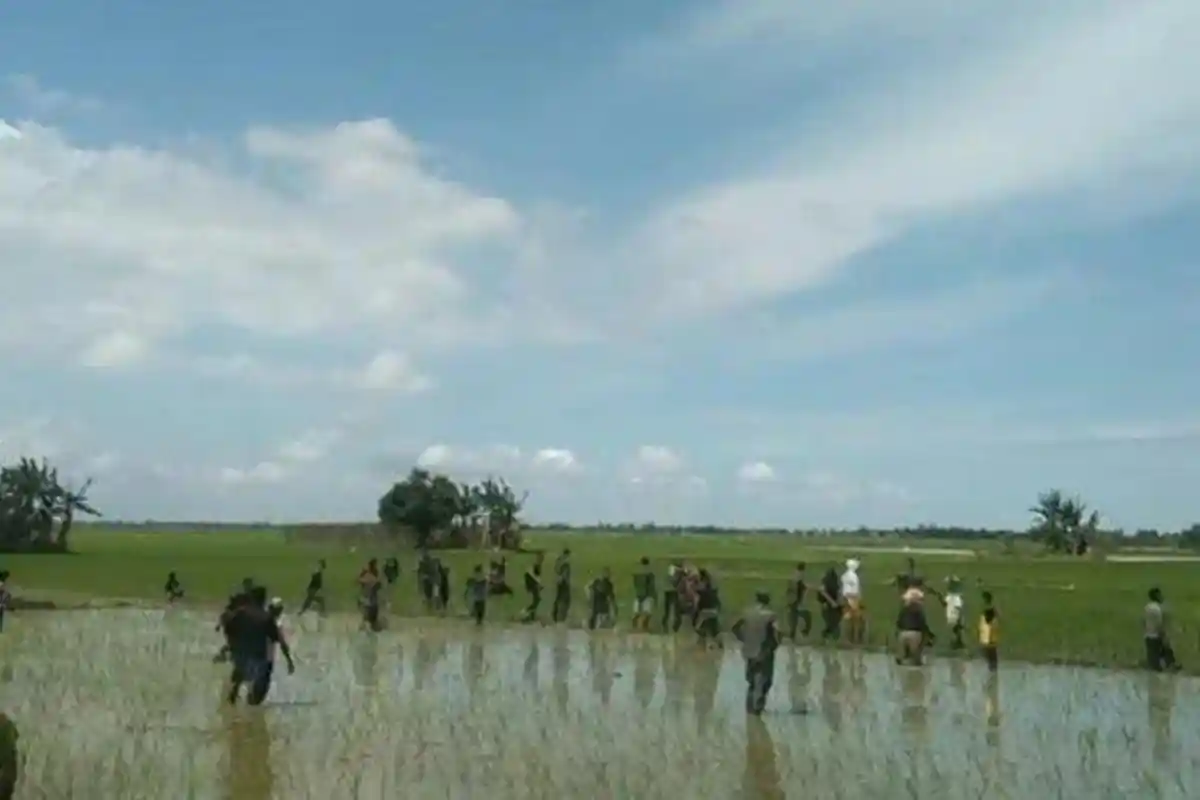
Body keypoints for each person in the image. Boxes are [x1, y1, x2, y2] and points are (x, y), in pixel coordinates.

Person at [226, 586, 294, 705]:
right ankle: (250, 713)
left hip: (244, 654)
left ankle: (235, 707)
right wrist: (289, 660)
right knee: (256, 694)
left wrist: (233, 645)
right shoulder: (267, 619)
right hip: (261, 658)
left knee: (238, 682)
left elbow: (229, 627)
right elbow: (278, 639)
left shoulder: (242, 612)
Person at [732, 591, 781, 715]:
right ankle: (758, 707)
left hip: (748, 649)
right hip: (765, 651)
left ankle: (749, 710)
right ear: (768, 601)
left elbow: (735, 627)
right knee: (766, 680)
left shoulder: (747, 612)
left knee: (751, 681)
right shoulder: (771, 615)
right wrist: (775, 645)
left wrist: (742, 638)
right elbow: (778, 632)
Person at [1144, 587, 1180, 672]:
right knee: (1166, 652)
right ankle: (1171, 667)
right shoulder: (1158, 609)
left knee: (1153, 661)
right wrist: (1164, 636)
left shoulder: (1147, 607)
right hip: (1156, 636)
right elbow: (1160, 624)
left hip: (1148, 635)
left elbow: (1143, 621)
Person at [895, 589, 929, 665]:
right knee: (916, 659)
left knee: (900, 657)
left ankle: (902, 656)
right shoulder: (919, 611)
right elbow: (922, 625)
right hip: (915, 633)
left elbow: (899, 623)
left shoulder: (903, 610)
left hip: (903, 633)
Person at [694, 569, 722, 648]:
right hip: (714, 611)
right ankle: (719, 643)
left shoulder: (701, 590)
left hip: (705, 612)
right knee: (714, 629)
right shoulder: (712, 591)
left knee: (698, 627)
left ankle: (702, 641)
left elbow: (699, 603)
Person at [840, 559, 865, 645]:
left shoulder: (845, 575)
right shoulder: (854, 577)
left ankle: (846, 639)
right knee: (855, 620)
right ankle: (854, 639)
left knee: (847, 619)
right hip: (852, 598)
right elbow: (854, 590)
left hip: (846, 598)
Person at [785, 562, 812, 640]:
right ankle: (803, 633)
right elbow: (797, 590)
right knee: (806, 618)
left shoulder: (795, 576)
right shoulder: (798, 577)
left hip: (794, 602)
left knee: (794, 620)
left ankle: (792, 636)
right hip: (797, 602)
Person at [358, 560, 383, 632]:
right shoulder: (370, 576)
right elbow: (377, 585)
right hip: (370, 602)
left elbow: (360, 581)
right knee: (370, 619)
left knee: (369, 618)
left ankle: (367, 627)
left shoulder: (368, 575)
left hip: (369, 601)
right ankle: (369, 627)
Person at [817, 565, 841, 640]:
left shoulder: (831, 582)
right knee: (832, 624)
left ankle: (827, 638)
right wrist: (832, 602)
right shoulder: (829, 582)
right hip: (829, 606)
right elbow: (823, 593)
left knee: (832, 624)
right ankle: (827, 638)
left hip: (831, 606)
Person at [632, 558, 656, 632]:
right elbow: (651, 586)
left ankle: (635, 627)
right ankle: (644, 628)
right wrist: (654, 596)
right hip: (646, 595)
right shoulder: (650, 574)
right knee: (647, 614)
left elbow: (635, 584)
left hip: (639, 595)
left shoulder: (637, 573)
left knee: (637, 614)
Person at [942, 577, 965, 650]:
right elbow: (945, 604)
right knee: (956, 632)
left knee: (955, 632)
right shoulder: (951, 597)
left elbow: (958, 609)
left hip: (953, 618)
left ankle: (958, 644)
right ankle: (958, 644)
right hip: (953, 618)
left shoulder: (954, 598)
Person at [979, 591, 999, 671]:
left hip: (989, 629)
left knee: (990, 648)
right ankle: (992, 665)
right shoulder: (990, 607)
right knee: (990, 648)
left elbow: (989, 618)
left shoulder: (989, 608)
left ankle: (992, 665)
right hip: (989, 629)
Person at [662, 560, 684, 632]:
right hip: (673, 592)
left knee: (668, 611)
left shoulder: (672, 570)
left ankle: (667, 627)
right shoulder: (676, 572)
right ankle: (673, 628)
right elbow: (674, 582)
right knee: (675, 611)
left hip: (669, 591)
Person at [522, 553, 544, 622]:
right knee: (537, 600)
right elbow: (535, 577)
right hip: (534, 586)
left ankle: (531, 616)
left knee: (536, 600)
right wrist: (538, 584)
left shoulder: (537, 566)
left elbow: (536, 577)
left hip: (534, 586)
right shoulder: (536, 566)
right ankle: (527, 611)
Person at [552, 548, 572, 623]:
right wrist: (562, 579)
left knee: (559, 599)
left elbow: (556, 569)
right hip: (564, 584)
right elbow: (564, 574)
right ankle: (561, 617)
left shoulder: (559, 560)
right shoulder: (565, 564)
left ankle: (555, 615)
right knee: (565, 600)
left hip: (560, 583)